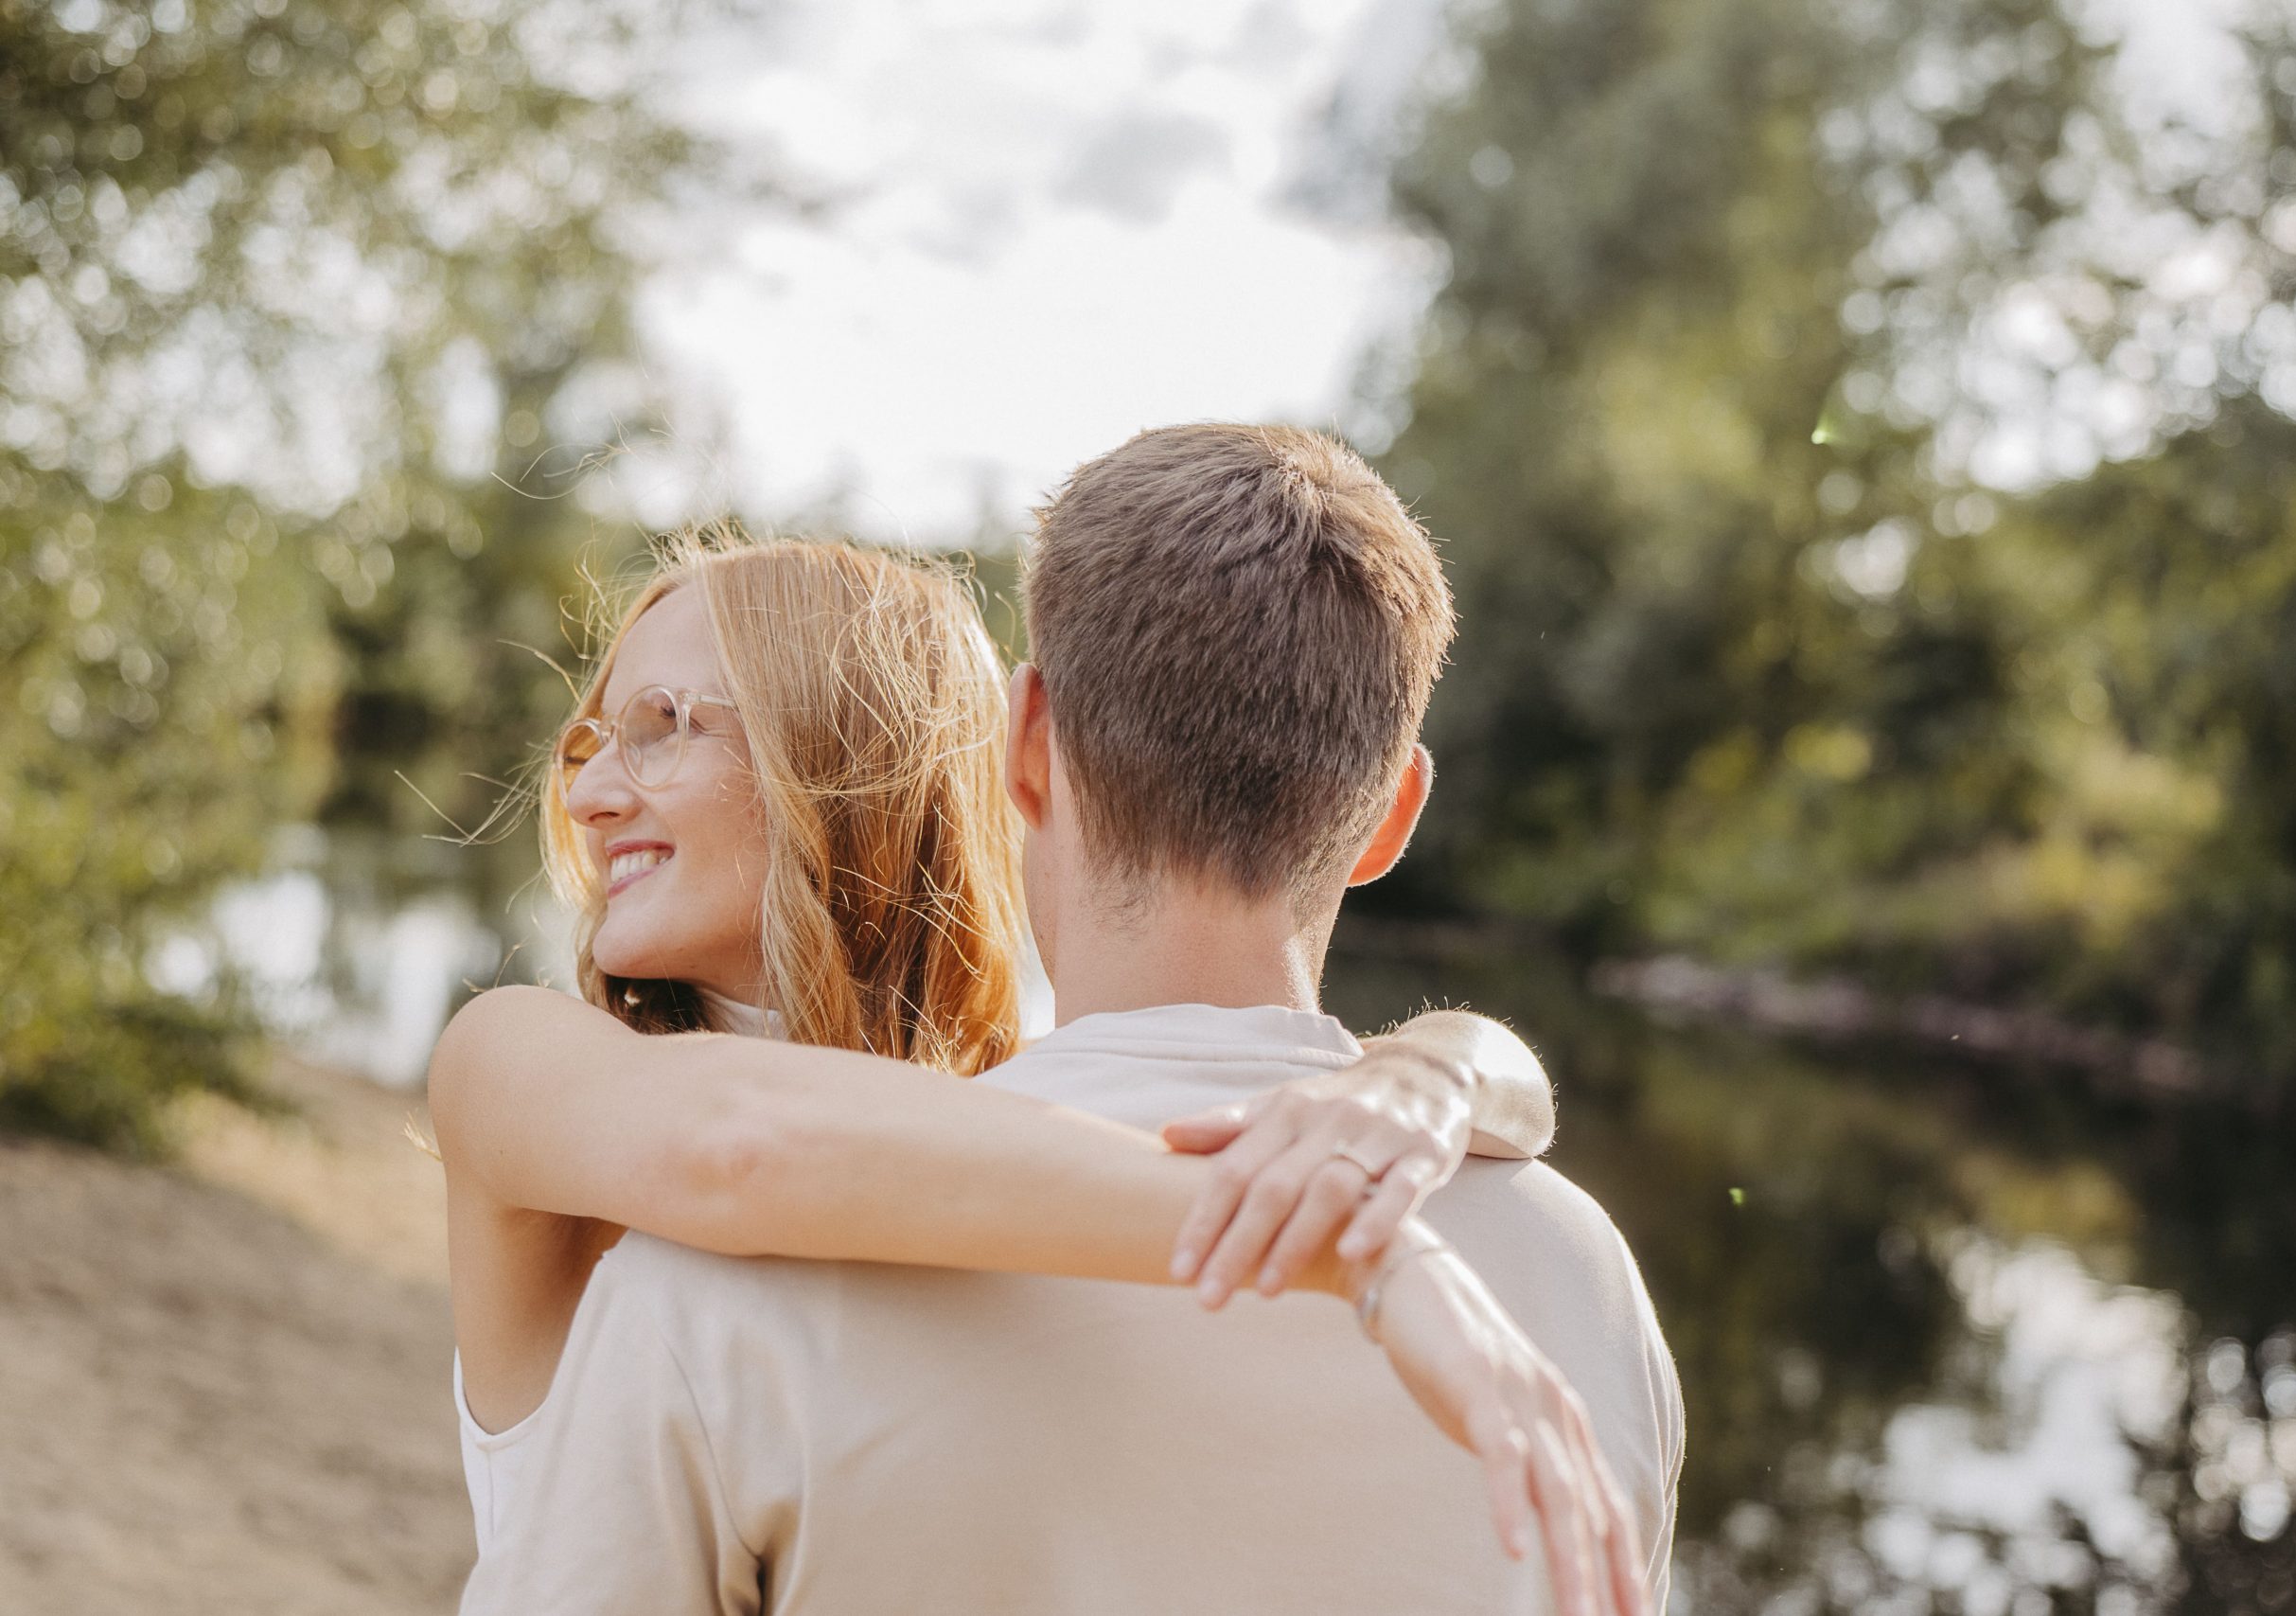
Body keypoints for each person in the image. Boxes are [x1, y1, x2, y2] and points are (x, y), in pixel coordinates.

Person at [445, 427, 1685, 1616]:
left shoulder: (724, 1298)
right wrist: (1367, 1235)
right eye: (595, 739)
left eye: (665, 726)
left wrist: (1439, 1071)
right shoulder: (1582, 1279)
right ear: (1390, 814)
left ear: (1025, 745)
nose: (590, 791)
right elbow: (736, 1141)